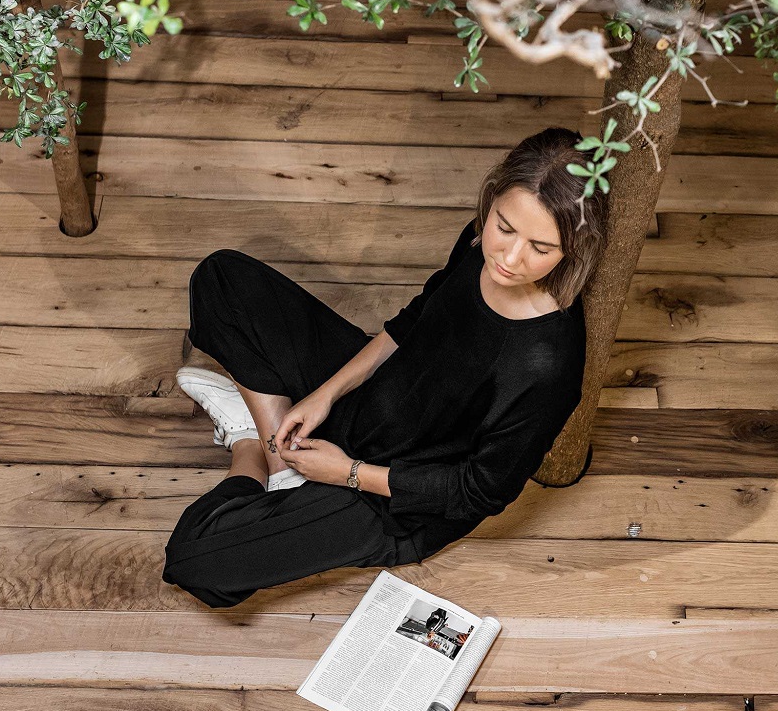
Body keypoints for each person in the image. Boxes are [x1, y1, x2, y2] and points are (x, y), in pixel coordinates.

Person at [161, 126, 607, 609]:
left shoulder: (549, 363)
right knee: (222, 278)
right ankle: (285, 457)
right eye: (505, 226)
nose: (510, 257)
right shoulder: (480, 241)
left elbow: (480, 492)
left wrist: (347, 472)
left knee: (193, 558)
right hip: (369, 403)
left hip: (392, 496)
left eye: (541, 249)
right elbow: (415, 319)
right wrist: (326, 394)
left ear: (575, 248)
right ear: (493, 198)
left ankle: (253, 444)